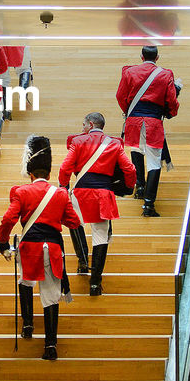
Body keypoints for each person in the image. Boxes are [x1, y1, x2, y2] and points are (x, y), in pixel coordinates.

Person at [0, 136, 82, 361]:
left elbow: (8, 219)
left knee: (25, 281)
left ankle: (27, 325)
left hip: (29, 247)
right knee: (51, 295)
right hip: (53, 249)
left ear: (31, 173)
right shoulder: (60, 194)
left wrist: (2, 243)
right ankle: (50, 346)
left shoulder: (21, 192)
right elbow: (74, 222)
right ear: (49, 172)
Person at [59, 112, 136, 297]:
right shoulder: (115, 144)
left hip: (80, 192)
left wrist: (63, 186)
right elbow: (130, 168)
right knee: (100, 236)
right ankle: (95, 284)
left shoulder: (78, 141)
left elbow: (65, 168)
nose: (82, 128)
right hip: (103, 194)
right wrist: (128, 187)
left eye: (84, 124)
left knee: (74, 223)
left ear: (91, 125)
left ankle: (83, 260)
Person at [116, 45, 180, 217]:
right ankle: (149, 205)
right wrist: (172, 112)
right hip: (153, 123)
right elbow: (171, 101)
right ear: (157, 57)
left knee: (136, 150)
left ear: (141, 57)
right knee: (154, 163)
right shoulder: (166, 74)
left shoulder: (129, 72)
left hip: (133, 121)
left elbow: (120, 96)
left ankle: (140, 187)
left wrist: (129, 113)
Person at [0, 45, 33, 121]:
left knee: (3, 79)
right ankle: (23, 94)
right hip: (19, 40)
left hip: (0, 43)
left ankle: (6, 112)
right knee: (24, 69)